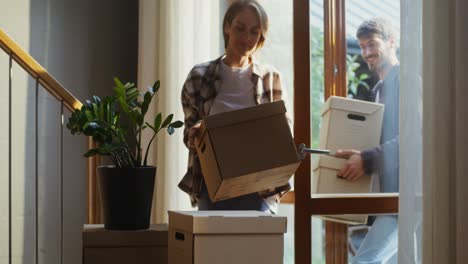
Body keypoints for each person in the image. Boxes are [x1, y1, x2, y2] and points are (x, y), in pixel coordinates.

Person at [178, 0, 290, 213]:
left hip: (258, 189)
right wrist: (197, 134)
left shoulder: (270, 78)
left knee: (254, 247)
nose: (246, 38)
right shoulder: (198, 76)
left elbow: (284, 135)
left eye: (254, 32)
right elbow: (189, 137)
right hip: (212, 188)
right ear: (227, 26)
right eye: (240, 28)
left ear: (261, 36)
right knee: (213, 246)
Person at [336, 18, 400, 264]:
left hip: (404, 197)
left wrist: (367, 159)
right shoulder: (378, 90)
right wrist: (360, 153)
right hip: (388, 197)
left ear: (391, 42)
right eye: (362, 47)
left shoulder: (405, 80)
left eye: (372, 44)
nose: (366, 53)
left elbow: (415, 139)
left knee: (364, 261)